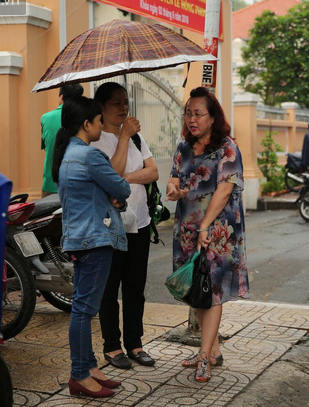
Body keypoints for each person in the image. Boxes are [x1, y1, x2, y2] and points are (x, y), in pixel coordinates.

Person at [166, 87, 249, 383]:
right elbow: (175, 182)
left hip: (217, 231)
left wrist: (205, 227)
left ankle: (204, 359)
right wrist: (175, 191)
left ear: (213, 117)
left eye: (198, 113)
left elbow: (224, 189)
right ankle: (212, 350)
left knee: (212, 294)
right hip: (188, 229)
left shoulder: (227, 148)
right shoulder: (183, 147)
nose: (191, 119)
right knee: (196, 289)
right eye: (188, 113)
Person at [52, 95, 131, 398]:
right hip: (95, 238)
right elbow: (121, 186)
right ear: (87, 124)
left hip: (80, 237)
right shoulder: (90, 155)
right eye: (98, 120)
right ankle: (79, 375)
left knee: (84, 308)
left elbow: (98, 191)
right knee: (84, 310)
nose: (101, 123)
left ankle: (89, 366)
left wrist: (111, 194)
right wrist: (116, 193)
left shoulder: (68, 154)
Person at [91, 82, 159, 370]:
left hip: (140, 222)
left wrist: (126, 179)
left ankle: (135, 343)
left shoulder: (137, 138)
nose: (124, 108)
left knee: (135, 287)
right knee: (110, 289)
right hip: (112, 225)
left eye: (126, 101)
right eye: (117, 103)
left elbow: (153, 171)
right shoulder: (96, 141)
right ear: (102, 108)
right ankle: (111, 346)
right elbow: (111, 173)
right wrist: (124, 141)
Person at [41, 83, 84, 197]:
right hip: (76, 183)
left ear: (61, 96)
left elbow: (46, 146)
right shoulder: (85, 118)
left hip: (50, 184)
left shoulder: (45, 118)